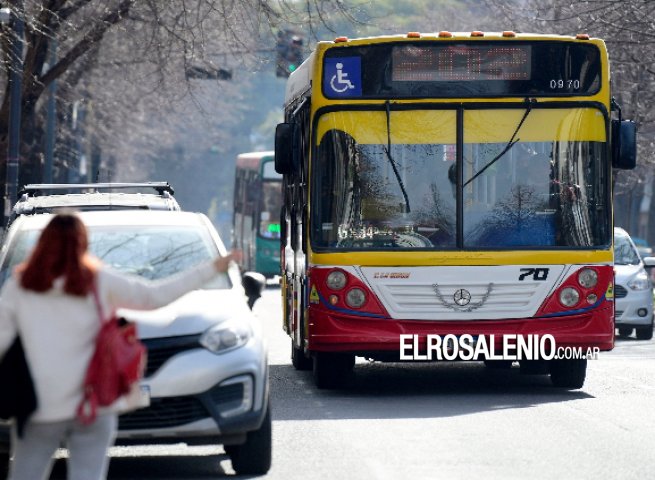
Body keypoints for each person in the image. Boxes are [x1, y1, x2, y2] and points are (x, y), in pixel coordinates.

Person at [0, 212, 240, 480]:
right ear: (83, 244)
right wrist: (211, 268)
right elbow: (155, 296)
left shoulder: (20, 287)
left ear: (42, 244)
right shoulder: (98, 282)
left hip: (37, 406)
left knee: (25, 475)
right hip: (93, 402)